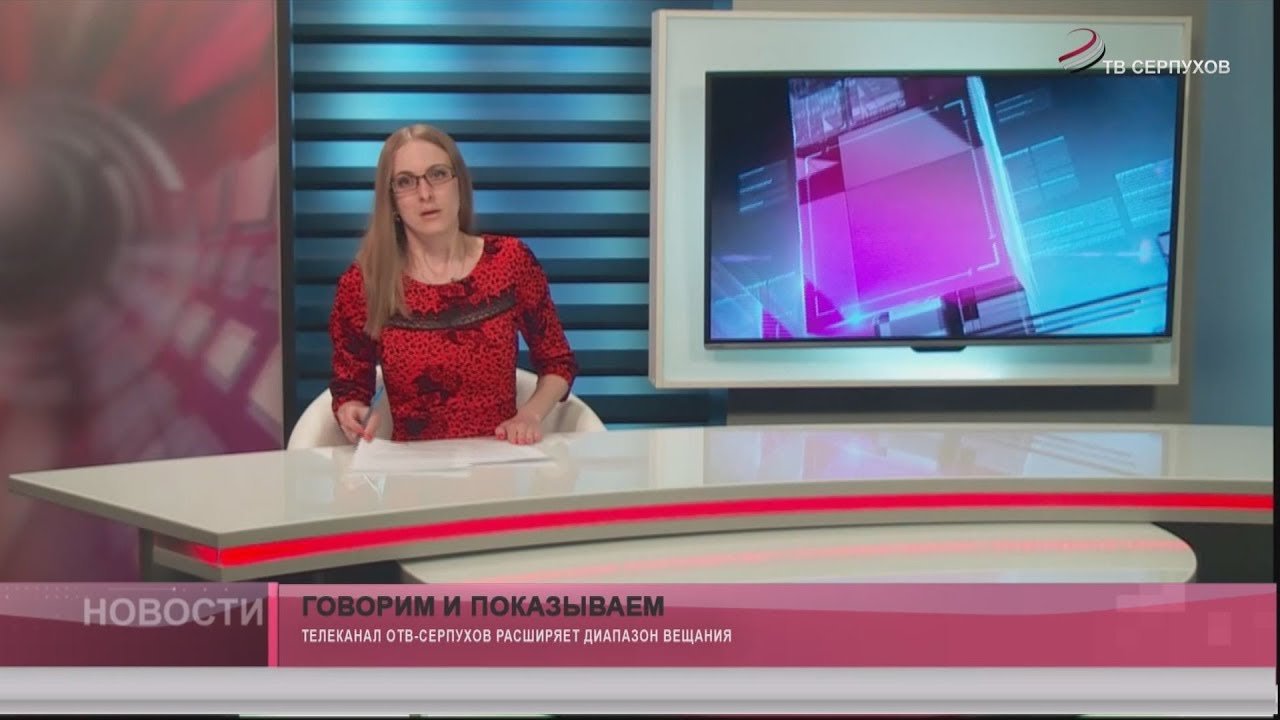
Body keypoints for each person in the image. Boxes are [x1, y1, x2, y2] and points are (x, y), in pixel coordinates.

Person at [329, 124, 577, 445]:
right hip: (413, 468)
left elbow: (558, 362)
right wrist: (352, 411)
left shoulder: (510, 261)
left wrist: (529, 415)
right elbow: (351, 386)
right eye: (405, 182)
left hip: (499, 460)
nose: (425, 194)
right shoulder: (365, 282)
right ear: (391, 201)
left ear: (460, 183)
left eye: (437, 174)